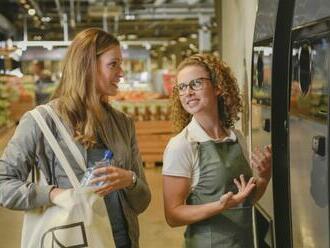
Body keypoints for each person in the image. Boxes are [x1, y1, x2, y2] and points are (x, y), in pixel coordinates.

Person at [0, 28, 151, 248]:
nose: (122, 73)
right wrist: (52, 194)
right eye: (114, 64)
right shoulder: (41, 122)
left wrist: (130, 180)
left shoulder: (123, 124)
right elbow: (3, 184)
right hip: (72, 240)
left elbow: (142, 202)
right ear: (88, 65)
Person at [162, 53, 271, 247]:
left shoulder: (237, 138)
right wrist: (219, 206)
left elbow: (245, 202)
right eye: (182, 87)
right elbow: (173, 215)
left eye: (196, 83)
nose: (188, 92)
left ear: (218, 87)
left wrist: (263, 177)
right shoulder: (182, 145)